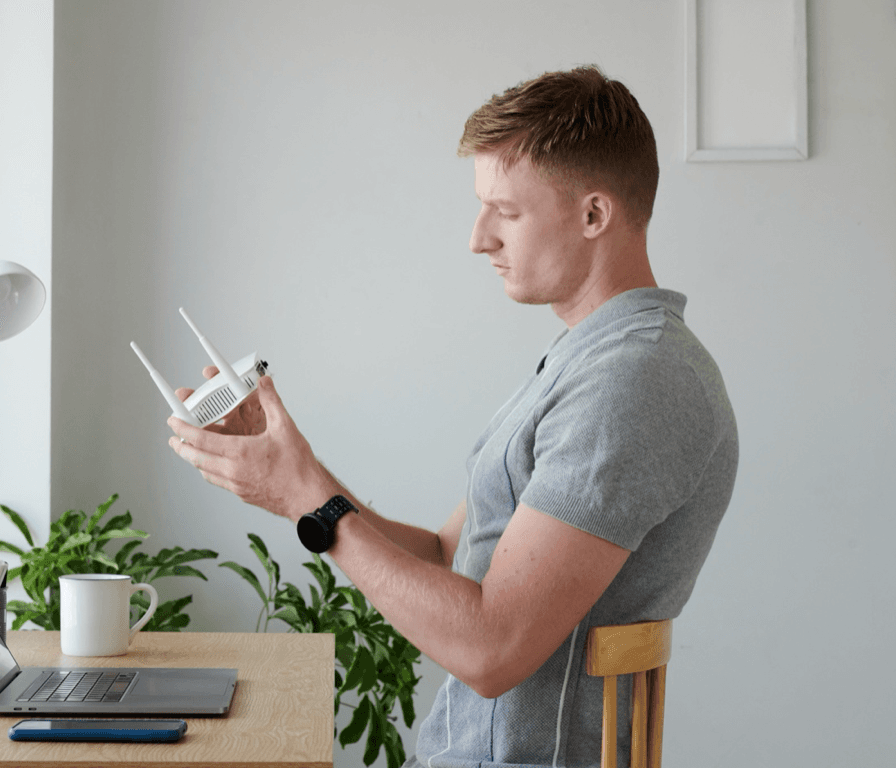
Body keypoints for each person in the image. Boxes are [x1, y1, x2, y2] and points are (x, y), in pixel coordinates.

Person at [165, 65, 739, 767]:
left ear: (594, 215)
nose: (478, 238)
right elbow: (446, 557)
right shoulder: (588, 363)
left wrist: (310, 502)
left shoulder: (635, 380)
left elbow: (492, 649)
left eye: (507, 211)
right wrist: (299, 481)